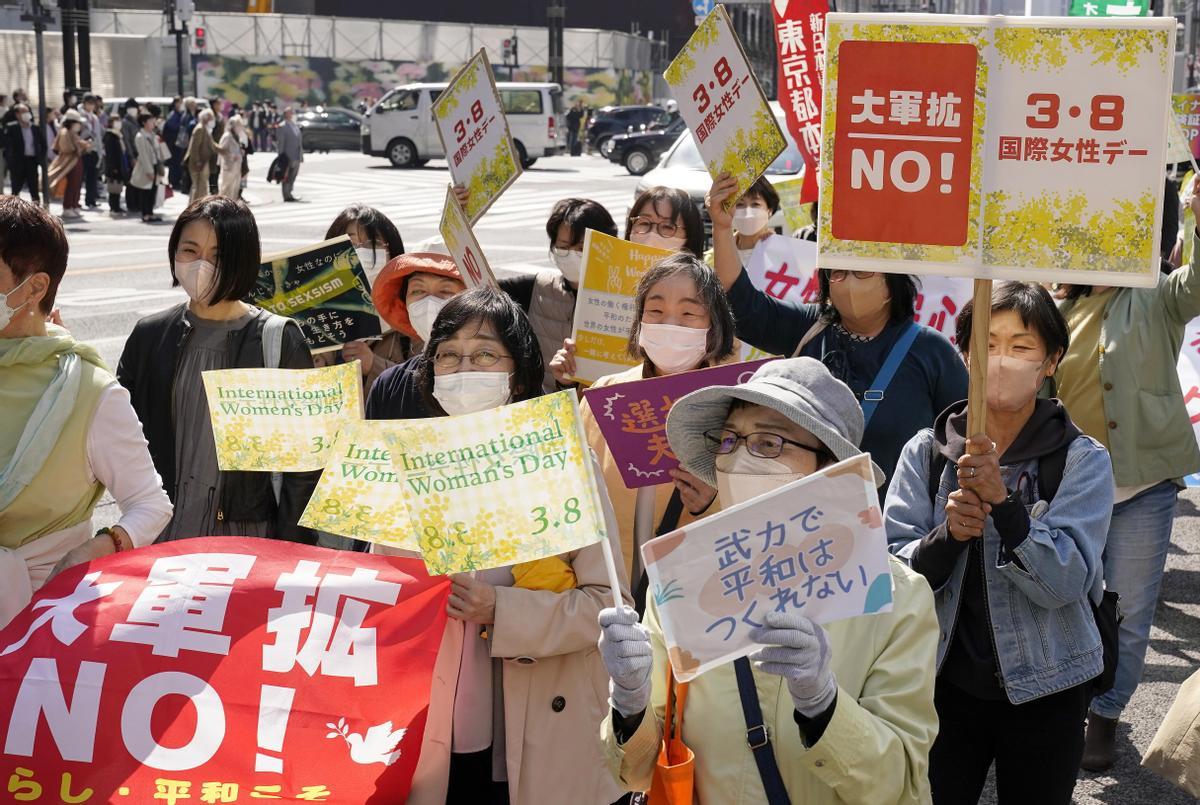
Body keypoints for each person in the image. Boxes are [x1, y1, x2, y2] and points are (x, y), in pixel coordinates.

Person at [598, 357, 939, 803]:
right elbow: (636, 772)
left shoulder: (897, 598)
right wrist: (629, 701)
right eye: (729, 439)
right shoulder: (682, 583)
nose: (738, 457)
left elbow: (899, 782)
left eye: (769, 442)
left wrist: (824, 705)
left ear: (828, 466)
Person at [369, 286, 631, 805]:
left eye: (485, 353)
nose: (465, 367)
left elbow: (607, 605)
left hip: (540, 727)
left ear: (517, 369)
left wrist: (501, 608)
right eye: (448, 354)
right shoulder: (408, 465)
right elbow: (382, 601)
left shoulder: (560, 461)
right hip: (433, 726)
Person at [885, 281, 1114, 803]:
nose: (1002, 360)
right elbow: (890, 573)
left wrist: (1006, 508)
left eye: (1022, 347)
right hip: (939, 684)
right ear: (963, 352)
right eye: (987, 345)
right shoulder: (927, 453)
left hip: (1049, 687)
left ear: (1051, 360)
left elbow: (1068, 581)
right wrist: (948, 537)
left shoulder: (1082, 460)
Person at [1054, 190, 1200, 771]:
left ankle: (1107, 715)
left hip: (1145, 486)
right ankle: (1066, 704)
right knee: (1066, 599)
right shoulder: (1056, 311)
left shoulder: (1158, 296)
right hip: (1071, 484)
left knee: (1128, 608)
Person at [707, 171, 967, 490]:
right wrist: (722, 228)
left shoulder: (932, 352)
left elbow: (962, 439)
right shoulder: (809, 328)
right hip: (813, 520)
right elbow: (744, 307)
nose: (849, 283)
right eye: (838, 273)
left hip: (899, 530)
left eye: (862, 271)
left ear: (893, 283)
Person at [0, 196, 172, 626]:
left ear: (35, 288)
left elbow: (150, 503)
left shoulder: (89, 392)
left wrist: (97, 548)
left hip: (38, 620)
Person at [117, 197, 319, 542]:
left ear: (242, 261)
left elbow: (305, 467)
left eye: (218, 256)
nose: (201, 265)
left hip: (247, 537)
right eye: (190, 251)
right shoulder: (150, 335)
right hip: (159, 532)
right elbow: (117, 434)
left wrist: (289, 550)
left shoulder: (280, 340)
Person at [576, 254, 736, 587]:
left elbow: (755, 519)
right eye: (656, 311)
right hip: (607, 596)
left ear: (714, 327)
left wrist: (709, 501)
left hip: (690, 596)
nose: (670, 324)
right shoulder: (606, 396)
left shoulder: (737, 409)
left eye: (689, 313)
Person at [498, 197, 618, 392]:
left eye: (581, 248)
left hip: (603, 408)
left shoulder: (624, 300)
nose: (571, 255)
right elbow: (479, 283)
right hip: (547, 407)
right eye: (563, 247)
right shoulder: (538, 287)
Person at [364, 252, 468, 420]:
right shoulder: (389, 386)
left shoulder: (496, 374)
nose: (429, 302)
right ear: (405, 303)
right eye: (418, 290)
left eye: (445, 290)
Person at [321, 205, 406, 390]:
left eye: (372, 244)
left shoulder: (409, 317)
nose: (359, 252)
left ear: (392, 252)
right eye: (349, 244)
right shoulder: (314, 315)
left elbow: (423, 383)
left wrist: (373, 365)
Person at [625, 185, 705, 255]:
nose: (652, 234)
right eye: (644, 223)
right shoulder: (614, 269)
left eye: (667, 227)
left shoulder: (700, 272)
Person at [47, 109, 90, 220]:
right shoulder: (65, 132)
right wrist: (80, 146)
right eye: (77, 123)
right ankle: (67, 207)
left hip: (75, 161)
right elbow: (67, 148)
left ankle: (74, 205)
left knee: (76, 185)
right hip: (69, 162)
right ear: (71, 122)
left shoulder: (73, 133)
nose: (79, 125)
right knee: (71, 185)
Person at [5, 103, 46, 204]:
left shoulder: (35, 128)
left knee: (34, 189)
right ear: (17, 114)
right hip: (18, 162)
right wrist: (10, 160)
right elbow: (6, 144)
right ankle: (13, 213)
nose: (27, 114)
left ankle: (37, 212)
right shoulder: (12, 128)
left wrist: (40, 157)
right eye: (23, 111)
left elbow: (43, 144)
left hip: (32, 161)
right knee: (15, 189)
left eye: (27, 111)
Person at [129, 112, 162, 224]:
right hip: (146, 167)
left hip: (155, 164)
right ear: (144, 123)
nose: (153, 123)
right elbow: (143, 155)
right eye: (150, 121)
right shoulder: (140, 136)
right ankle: (145, 213)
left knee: (153, 190)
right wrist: (149, 171)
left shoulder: (153, 135)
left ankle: (150, 212)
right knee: (145, 191)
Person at [183, 109, 217, 204]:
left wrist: (224, 150)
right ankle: (194, 207)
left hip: (203, 161)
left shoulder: (206, 129)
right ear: (206, 118)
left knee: (202, 186)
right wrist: (197, 161)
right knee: (197, 187)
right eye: (211, 118)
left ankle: (198, 206)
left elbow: (213, 145)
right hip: (198, 162)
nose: (213, 120)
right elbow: (194, 147)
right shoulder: (200, 128)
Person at [79, 94, 102, 209]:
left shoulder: (94, 117)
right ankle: (76, 201)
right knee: (80, 176)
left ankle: (91, 199)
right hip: (83, 149)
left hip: (94, 149)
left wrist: (100, 150)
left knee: (93, 176)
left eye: (93, 103)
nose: (91, 106)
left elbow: (98, 135)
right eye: (89, 103)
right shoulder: (79, 115)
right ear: (84, 103)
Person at [102, 115, 128, 215]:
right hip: (113, 166)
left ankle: (117, 206)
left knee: (118, 188)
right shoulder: (109, 135)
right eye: (115, 121)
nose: (118, 123)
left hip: (119, 164)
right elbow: (110, 154)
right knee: (113, 188)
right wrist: (113, 167)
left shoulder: (118, 135)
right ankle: (113, 207)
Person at [276, 107, 303, 202]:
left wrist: (301, 156)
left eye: (292, 112)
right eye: (290, 112)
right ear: (286, 114)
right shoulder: (282, 126)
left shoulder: (294, 124)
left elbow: (299, 141)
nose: (292, 114)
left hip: (296, 155)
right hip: (287, 156)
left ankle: (290, 192)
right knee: (286, 176)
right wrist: (281, 157)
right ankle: (286, 195)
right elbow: (280, 143)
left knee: (293, 176)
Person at [216, 115, 245, 200]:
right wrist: (232, 156)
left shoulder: (237, 136)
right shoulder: (227, 136)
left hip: (236, 166)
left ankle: (232, 206)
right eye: (238, 125)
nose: (240, 128)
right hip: (228, 166)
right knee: (226, 188)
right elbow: (222, 150)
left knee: (234, 188)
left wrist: (240, 152)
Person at [207, 97, 225, 196]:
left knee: (217, 169)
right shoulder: (211, 115)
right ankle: (213, 190)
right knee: (212, 170)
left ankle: (215, 189)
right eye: (218, 104)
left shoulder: (219, 116)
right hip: (212, 146)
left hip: (219, 145)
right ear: (214, 105)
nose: (220, 106)